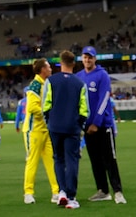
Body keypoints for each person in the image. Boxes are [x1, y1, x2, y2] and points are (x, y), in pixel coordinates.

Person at [76, 45, 126, 204]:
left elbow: (104, 99)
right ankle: (103, 191)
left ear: (95, 58)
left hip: (103, 125)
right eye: (85, 57)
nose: (87, 59)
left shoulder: (102, 75)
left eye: (90, 57)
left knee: (110, 158)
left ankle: (117, 191)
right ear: (82, 58)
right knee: (95, 160)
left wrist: (96, 123)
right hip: (87, 126)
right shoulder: (78, 76)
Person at [43, 50, 89, 209]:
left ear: (60, 63)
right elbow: (84, 110)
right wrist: (80, 125)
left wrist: (49, 121)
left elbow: (45, 105)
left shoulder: (50, 81)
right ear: (74, 64)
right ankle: (71, 197)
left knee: (58, 159)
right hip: (72, 127)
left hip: (55, 126)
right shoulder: (80, 83)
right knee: (72, 160)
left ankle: (62, 191)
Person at [22, 58, 60, 204]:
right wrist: (49, 113)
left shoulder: (46, 84)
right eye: (48, 67)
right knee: (32, 161)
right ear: (42, 69)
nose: (50, 69)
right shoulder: (35, 85)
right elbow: (32, 108)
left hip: (45, 129)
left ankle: (56, 191)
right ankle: (28, 192)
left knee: (51, 161)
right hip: (34, 130)